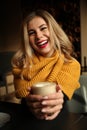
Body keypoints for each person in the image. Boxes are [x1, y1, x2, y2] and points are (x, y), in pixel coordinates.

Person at [11, 9, 81, 120]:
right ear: (27, 39)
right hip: (26, 120)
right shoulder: (21, 66)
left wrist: (55, 101)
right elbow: (24, 100)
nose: (38, 36)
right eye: (32, 33)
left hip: (60, 121)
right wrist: (29, 103)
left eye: (43, 28)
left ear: (53, 30)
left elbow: (60, 96)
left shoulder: (71, 64)